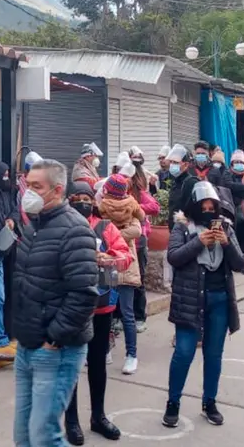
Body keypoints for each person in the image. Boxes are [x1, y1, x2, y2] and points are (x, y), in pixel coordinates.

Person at [12, 159, 99, 447]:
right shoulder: (33, 227)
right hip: (26, 345)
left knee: (44, 436)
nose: (29, 192)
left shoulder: (76, 230)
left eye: (37, 187)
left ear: (58, 190)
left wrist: (54, 339)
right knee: (23, 435)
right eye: (28, 185)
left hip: (55, 351)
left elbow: (84, 293)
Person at [163, 181, 244, 428]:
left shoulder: (226, 228)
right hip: (190, 299)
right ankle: (173, 402)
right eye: (204, 205)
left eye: (213, 206)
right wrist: (199, 241)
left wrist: (225, 242)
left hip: (220, 299)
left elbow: (240, 264)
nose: (209, 210)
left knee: (213, 354)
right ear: (195, 206)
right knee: (184, 352)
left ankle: (209, 402)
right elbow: (174, 257)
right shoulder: (183, 227)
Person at [63, 181, 133, 445]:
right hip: (71, 306)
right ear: (68, 199)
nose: (81, 201)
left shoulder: (105, 227)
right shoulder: (62, 226)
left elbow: (125, 257)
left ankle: (98, 416)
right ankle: (71, 421)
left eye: (86, 197)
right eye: (76, 197)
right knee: (71, 364)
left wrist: (108, 257)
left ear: (93, 201)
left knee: (97, 364)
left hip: (102, 304)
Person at [97, 173, 149, 344]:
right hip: (127, 258)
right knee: (128, 311)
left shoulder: (102, 206)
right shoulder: (131, 206)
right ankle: (131, 353)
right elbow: (139, 226)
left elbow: (99, 229)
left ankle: (107, 346)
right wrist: (122, 234)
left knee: (107, 307)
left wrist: (111, 234)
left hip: (108, 259)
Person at [127, 150, 161, 335]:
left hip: (139, 241)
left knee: (138, 279)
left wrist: (134, 207)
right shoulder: (114, 190)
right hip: (120, 241)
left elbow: (155, 207)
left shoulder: (140, 191)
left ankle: (139, 317)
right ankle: (120, 317)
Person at [0, 159, 20, 362]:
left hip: (0, 252)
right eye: (3, 175)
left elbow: (14, 210)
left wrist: (12, 220)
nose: (6, 179)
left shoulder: (5, 192)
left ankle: (0, 341)